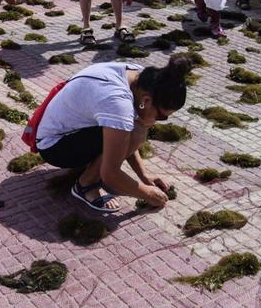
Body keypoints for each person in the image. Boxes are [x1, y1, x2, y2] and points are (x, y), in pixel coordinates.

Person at [35, 56, 191, 212]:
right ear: (147, 100)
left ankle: (91, 173)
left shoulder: (140, 76)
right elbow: (110, 174)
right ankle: (85, 185)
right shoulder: (118, 102)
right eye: (161, 116)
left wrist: (144, 175)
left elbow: (122, 138)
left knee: (134, 127)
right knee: (137, 131)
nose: (159, 121)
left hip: (67, 129)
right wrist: (147, 193)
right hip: (54, 146)